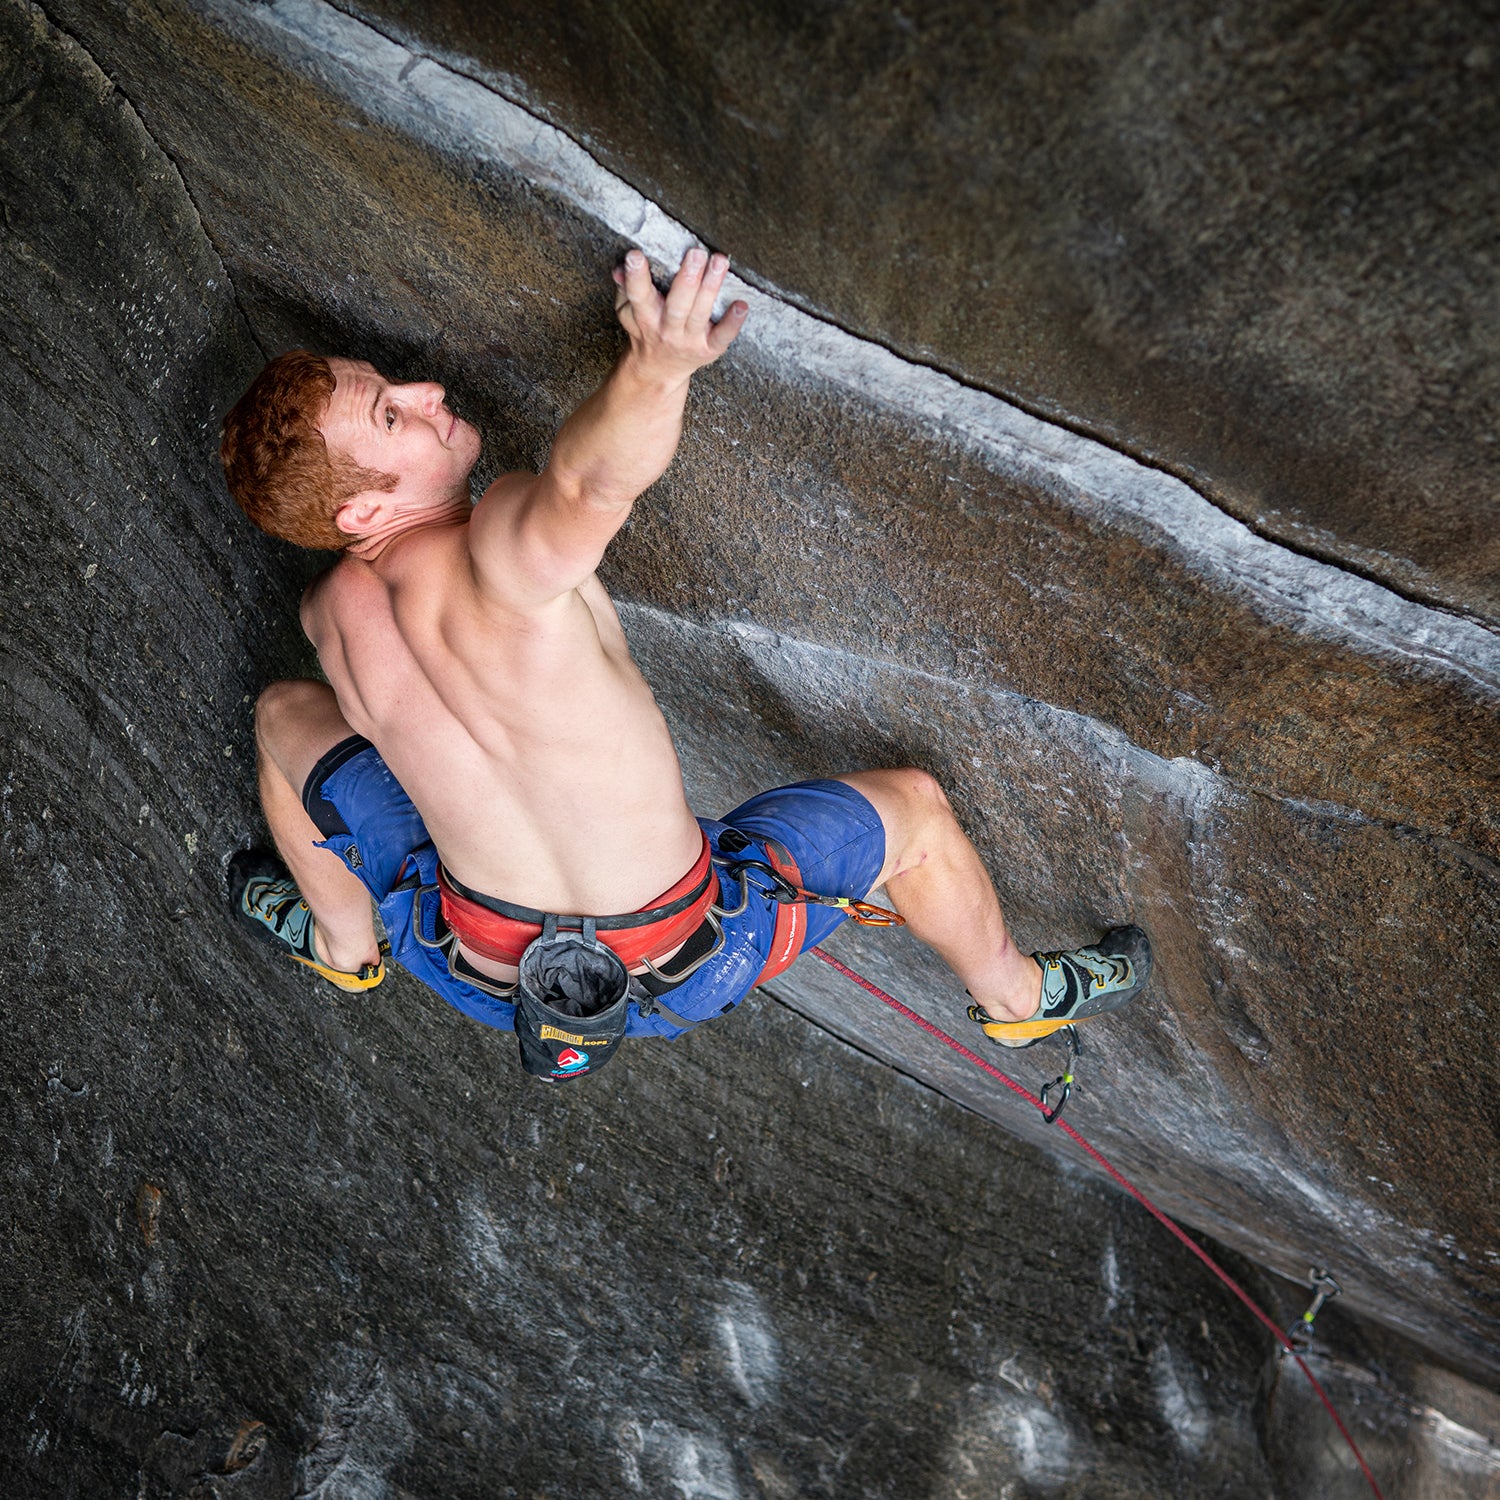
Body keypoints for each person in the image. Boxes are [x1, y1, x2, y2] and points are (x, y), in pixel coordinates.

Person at [219, 246, 1149, 1080]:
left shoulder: (330, 611)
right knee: (915, 812)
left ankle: (344, 949)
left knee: (285, 718)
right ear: (362, 514)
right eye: (392, 415)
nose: (424, 393)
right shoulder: (493, 547)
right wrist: (658, 370)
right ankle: (1018, 1001)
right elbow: (588, 484)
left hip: (472, 966)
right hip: (698, 957)